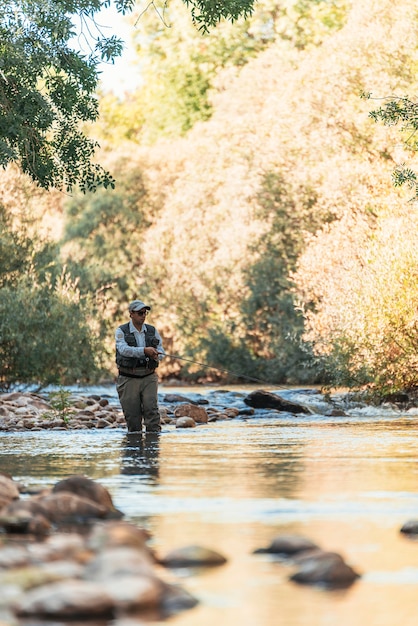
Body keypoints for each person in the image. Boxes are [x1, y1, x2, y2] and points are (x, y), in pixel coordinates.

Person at [115, 300, 165, 434]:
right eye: (140, 313)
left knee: (152, 411)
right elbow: (123, 349)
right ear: (131, 314)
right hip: (128, 378)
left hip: (149, 376)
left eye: (145, 313)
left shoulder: (152, 330)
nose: (143, 316)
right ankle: (135, 449)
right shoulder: (121, 331)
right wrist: (144, 351)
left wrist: (157, 355)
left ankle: (153, 448)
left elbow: (161, 350)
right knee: (132, 416)